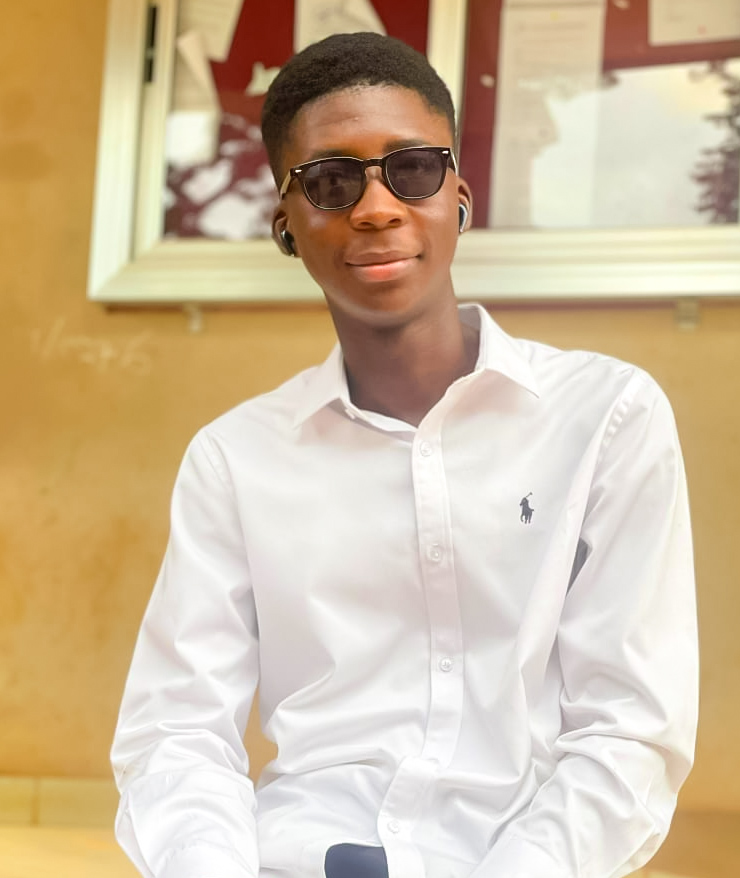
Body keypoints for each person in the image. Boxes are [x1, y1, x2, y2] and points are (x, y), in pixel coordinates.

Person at [111, 32, 698, 878]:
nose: (376, 208)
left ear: (459, 196)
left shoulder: (606, 417)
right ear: (285, 224)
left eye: (412, 169)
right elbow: (175, 732)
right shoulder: (234, 460)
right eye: (331, 181)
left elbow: (629, 729)